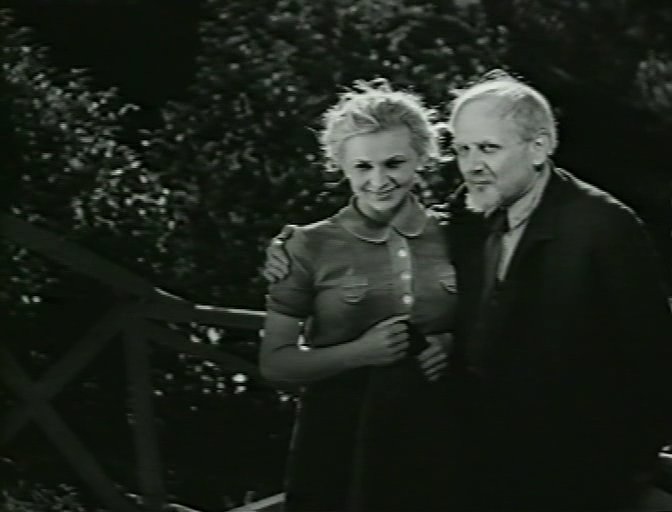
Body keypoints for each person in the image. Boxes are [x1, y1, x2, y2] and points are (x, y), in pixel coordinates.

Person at [264, 70, 672, 511]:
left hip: (571, 472)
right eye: (463, 149)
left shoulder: (603, 227)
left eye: (488, 148)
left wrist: (625, 474)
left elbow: (653, 363)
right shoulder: (468, 213)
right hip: (451, 461)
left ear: (538, 148)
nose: (472, 165)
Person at [260, 79, 463, 512]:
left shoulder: (460, 234)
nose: (379, 181)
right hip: (340, 439)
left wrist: (450, 342)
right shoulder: (307, 245)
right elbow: (275, 363)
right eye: (362, 167)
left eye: (394, 163)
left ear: (422, 157)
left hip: (441, 435)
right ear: (341, 166)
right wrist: (360, 353)